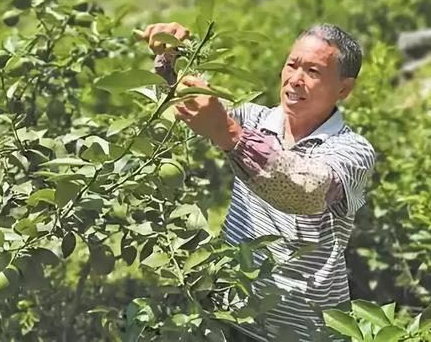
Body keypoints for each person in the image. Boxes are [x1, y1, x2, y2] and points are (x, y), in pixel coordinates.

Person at [139, 22, 376, 342]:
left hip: (305, 330)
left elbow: (307, 191)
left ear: (343, 89)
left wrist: (230, 135)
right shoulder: (252, 119)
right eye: (291, 65)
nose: (295, 79)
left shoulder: (352, 150)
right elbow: (190, 110)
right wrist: (170, 62)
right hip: (231, 316)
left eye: (313, 71)